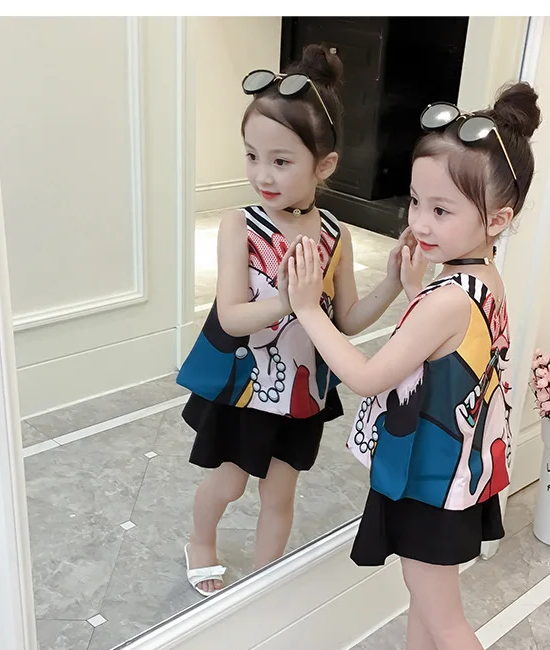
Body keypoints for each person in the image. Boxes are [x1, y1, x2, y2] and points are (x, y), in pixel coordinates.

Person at [286, 82, 542, 650]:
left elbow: (367, 377)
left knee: (444, 613)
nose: (419, 221)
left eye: (441, 209)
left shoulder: (449, 299)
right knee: (430, 596)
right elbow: (445, 359)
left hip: (432, 481)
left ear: (497, 219)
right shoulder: (480, 279)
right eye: (416, 202)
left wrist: (308, 309)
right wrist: (411, 286)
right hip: (454, 471)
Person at [177, 44, 417, 596]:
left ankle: (263, 584)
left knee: (280, 493)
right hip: (246, 389)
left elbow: (346, 320)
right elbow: (232, 317)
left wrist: (391, 283)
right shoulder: (240, 225)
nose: (262, 174)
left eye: (281, 161)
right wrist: (291, 301)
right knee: (229, 482)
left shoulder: (335, 233)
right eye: (252, 156)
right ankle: (200, 542)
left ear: (324, 165)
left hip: (302, 394)